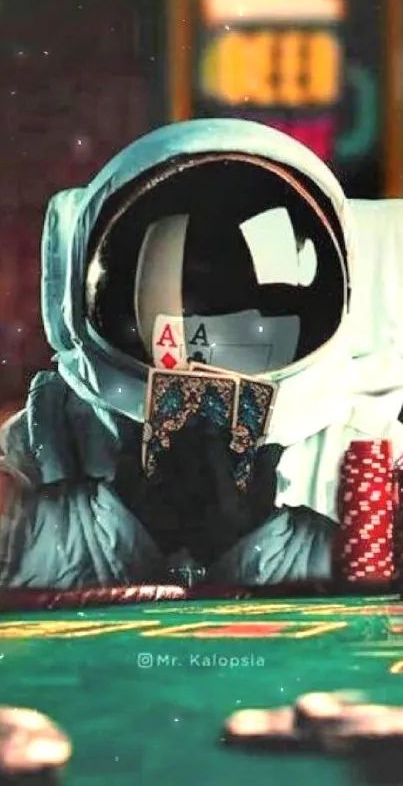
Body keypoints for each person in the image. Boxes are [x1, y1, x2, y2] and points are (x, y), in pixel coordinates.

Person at [1, 118, 403, 589]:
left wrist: (287, 552)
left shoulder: (372, 453)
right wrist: (89, 535)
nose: (205, 340)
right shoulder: (47, 439)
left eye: (230, 290)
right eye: (187, 290)